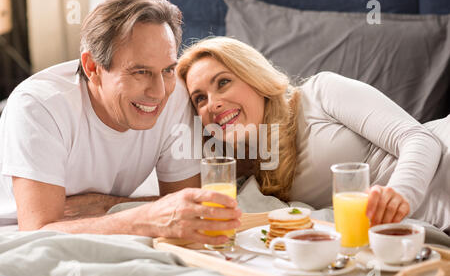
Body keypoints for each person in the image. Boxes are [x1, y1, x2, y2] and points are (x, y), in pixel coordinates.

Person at [0, 0, 241, 245]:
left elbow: (185, 207)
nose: (159, 92)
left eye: (168, 69)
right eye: (140, 72)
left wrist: (111, 205)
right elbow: (37, 232)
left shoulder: (175, 94)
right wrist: (143, 216)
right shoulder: (39, 107)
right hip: (13, 231)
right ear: (92, 67)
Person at [177, 36, 450, 235]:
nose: (212, 104)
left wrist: (400, 194)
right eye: (199, 98)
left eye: (223, 82)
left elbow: (418, 138)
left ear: (253, 78)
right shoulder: (245, 172)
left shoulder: (319, 93)